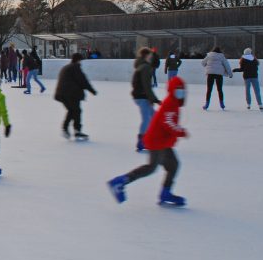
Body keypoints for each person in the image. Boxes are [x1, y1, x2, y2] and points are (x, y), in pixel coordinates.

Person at [108, 75, 189, 207]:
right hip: (157, 142)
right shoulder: (170, 103)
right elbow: (167, 122)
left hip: (162, 142)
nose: (180, 92)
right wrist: (180, 131)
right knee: (151, 168)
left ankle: (166, 193)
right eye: (177, 90)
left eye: (182, 90)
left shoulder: (173, 103)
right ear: (172, 90)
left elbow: (168, 122)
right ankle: (120, 182)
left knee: (173, 165)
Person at [54, 52, 97, 140]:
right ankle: (75, 130)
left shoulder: (66, 67)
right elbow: (83, 80)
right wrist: (92, 90)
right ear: (78, 60)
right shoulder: (75, 67)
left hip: (61, 93)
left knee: (73, 110)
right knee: (76, 111)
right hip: (71, 93)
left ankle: (67, 129)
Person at [131, 47, 161, 152]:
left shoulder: (140, 65)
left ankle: (151, 138)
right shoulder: (145, 67)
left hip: (140, 96)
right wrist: (154, 99)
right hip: (143, 96)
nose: (151, 58)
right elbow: (146, 86)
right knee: (147, 119)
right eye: (150, 56)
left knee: (154, 116)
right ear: (147, 56)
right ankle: (142, 141)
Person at [201, 46, 232, 110]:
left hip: (210, 74)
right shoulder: (221, 56)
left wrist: (207, 65)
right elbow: (227, 65)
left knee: (209, 89)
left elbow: (203, 63)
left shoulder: (209, 55)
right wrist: (230, 74)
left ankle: (206, 104)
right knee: (220, 89)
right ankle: (222, 104)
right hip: (219, 74)